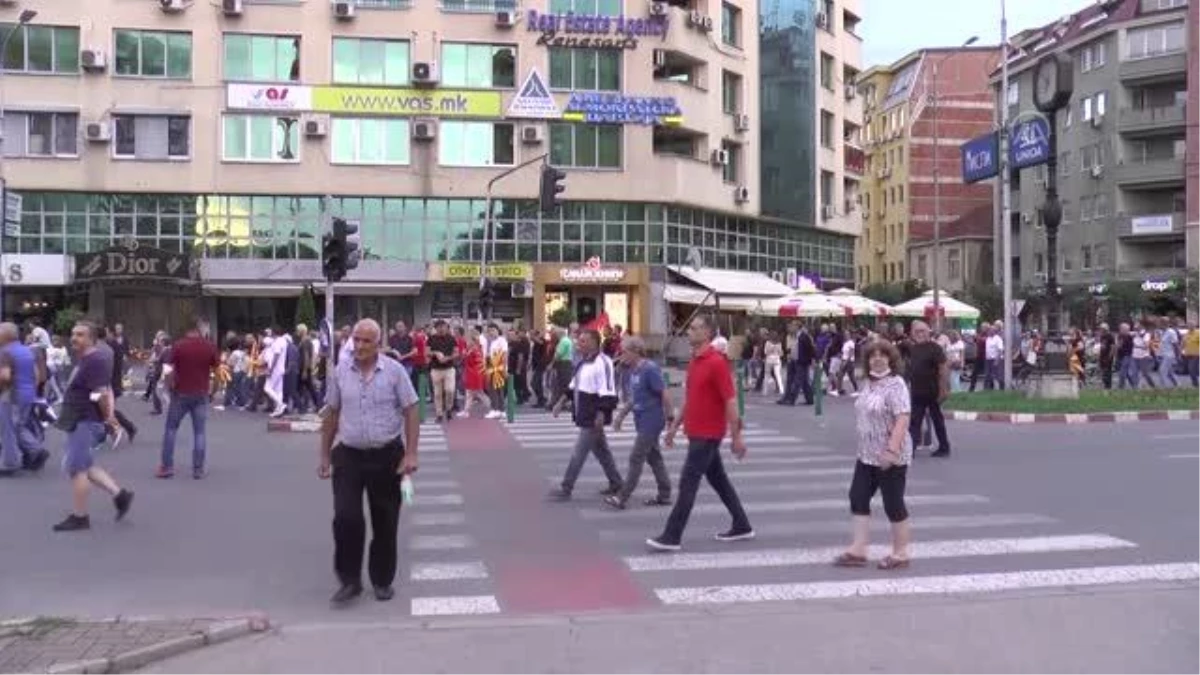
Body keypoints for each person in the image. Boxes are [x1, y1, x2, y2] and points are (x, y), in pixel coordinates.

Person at [319, 318, 419, 606]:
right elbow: (332, 414)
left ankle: (382, 579)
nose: (359, 346)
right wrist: (324, 454)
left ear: (378, 344)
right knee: (346, 517)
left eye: (366, 341)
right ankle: (350, 580)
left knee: (385, 521)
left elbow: (411, 410)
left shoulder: (395, 372)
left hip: (387, 455)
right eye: (356, 341)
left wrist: (411, 453)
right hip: (349, 455)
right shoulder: (341, 372)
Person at [647, 314, 753, 552]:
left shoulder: (716, 362)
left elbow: (731, 401)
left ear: (707, 333)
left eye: (694, 329)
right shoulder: (695, 361)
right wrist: (674, 427)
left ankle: (672, 535)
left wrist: (737, 436)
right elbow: (691, 399)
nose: (689, 332)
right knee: (719, 481)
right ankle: (742, 524)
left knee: (688, 484)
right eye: (690, 328)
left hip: (708, 434)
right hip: (696, 432)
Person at [834, 339, 912, 570]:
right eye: (872, 356)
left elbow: (903, 417)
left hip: (891, 455)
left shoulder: (896, 384)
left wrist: (892, 450)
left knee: (892, 502)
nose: (877, 359)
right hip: (866, 454)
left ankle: (901, 553)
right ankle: (859, 549)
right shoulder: (868, 383)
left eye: (882, 355)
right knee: (857, 496)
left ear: (890, 359)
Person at [52, 321, 134, 532]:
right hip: (79, 418)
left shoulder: (95, 360)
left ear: (91, 339)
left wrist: (108, 417)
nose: (74, 338)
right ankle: (120, 495)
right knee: (86, 465)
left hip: (85, 420)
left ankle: (80, 517)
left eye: (80, 335)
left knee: (76, 469)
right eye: (73, 334)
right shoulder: (86, 359)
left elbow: (100, 393)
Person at [548, 329, 624, 500]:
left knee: (579, 452)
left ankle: (566, 487)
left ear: (593, 343)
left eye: (583, 341)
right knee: (602, 451)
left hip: (594, 414)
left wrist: (602, 413)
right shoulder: (583, 362)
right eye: (579, 341)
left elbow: (609, 391)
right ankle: (616, 482)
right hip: (584, 411)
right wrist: (560, 402)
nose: (578, 344)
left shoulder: (603, 362)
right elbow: (573, 386)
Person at [607, 336, 672, 510]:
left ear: (636, 352)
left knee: (636, 457)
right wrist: (621, 416)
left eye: (625, 351)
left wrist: (671, 418)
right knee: (654, 457)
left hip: (652, 420)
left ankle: (622, 497)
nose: (622, 355)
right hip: (641, 419)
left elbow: (664, 393)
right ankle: (665, 494)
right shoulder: (634, 371)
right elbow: (634, 398)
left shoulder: (650, 369)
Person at [158, 318, 219, 480]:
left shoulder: (178, 346)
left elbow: (168, 370)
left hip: (180, 393)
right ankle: (197, 469)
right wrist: (213, 391)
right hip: (201, 393)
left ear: (187, 330)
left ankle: (167, 467)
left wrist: (169, 387)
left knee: (171, 429)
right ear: (199, 329)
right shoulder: (209, 346)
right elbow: (218, 372)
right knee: (199, 432)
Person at [0, 323, 49, 475]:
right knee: (18, 426)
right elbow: (38, 376)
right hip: (28, 393)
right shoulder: (27, 351)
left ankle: (10, 463)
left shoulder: (5, 352)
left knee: (8, 429)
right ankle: (35, 450)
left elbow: (5, 376)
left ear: (6, 335)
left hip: (12, 394)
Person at [906, 321, 950, 458]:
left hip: (933, 392)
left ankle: (944, 447)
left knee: (937, 420)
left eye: (923, 331)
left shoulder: (935, 348)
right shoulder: (913, 349)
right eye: (917, 331)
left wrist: (943, 390)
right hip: (917, 392)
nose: (920, 334)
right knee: (914, 422)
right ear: (912, 333)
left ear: (928, 332)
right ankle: (910, 450)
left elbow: (943, 369)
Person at [426, 320, 458, 423]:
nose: (442, 328)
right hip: (436, 368)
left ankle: (449, 409)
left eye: (443, 326)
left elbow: (456, 353)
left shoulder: (451, 338)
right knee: (437, 393)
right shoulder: (431, 338)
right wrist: (435, 353)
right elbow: (427, 352)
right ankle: (439, 414)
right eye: (439, 327)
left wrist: (447, 358)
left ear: (446, 327)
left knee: (450, 390)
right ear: (436, 328)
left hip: (449, 368)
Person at [457, 327, 488, 417]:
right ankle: (466, 411)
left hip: (474, 374)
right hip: (473, 373)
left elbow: (477, 362)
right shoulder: (474, 349)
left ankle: (492, 408)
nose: (467, 341)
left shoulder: (475, 350)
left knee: (479, 393)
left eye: (468, 338)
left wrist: (465, 355)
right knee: (470, 393)